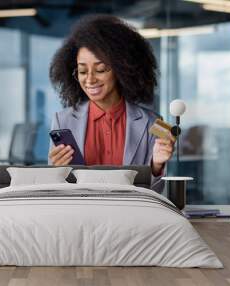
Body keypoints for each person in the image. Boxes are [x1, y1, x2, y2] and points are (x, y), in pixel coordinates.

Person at [47, 15, 174, 193]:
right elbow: (55, 189)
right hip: (80, 214)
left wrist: (157, 165)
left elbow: (155, 191)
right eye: (82, 71)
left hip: (129, 215)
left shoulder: (154, 121)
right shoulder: (62, 120)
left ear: (122, 69)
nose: (90, 79)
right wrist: (56, 172)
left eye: (101, 69)